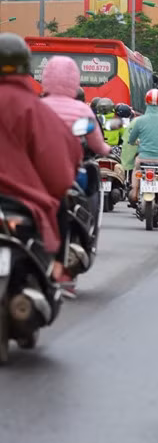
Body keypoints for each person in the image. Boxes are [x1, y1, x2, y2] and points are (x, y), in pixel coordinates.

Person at [0, 33, 83, 287]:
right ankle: (58, 268)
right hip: (22, 206)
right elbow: (59, 178)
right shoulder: (38, 112)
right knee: (62, 205)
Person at [40, 56, 111, 157]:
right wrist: (106, 150)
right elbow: (97, 144)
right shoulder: (83, 110)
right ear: (74, 78)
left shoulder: (37, 105)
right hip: (74, 163)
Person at [126, 88, 158, 201]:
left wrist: (135, 142)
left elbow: (131, 139)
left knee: (136, 168)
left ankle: (134, 192)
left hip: (143, 157)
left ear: (146, 102)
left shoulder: (139, 120)